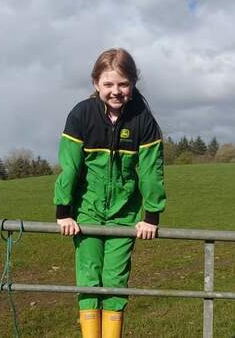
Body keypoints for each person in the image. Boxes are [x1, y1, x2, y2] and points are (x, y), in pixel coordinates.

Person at [54, 48, 167, 338]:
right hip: (85, 212)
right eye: (108, 84)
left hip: (124, 214)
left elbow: (152, 170)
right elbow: (69, 167)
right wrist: (63, 212)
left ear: (133, 84)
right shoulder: (81, 115)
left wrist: (151, 216)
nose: (115, 91)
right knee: (89, 278)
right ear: (96, 84)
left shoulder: (143, 120)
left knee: (115, 281)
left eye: (123, 84)